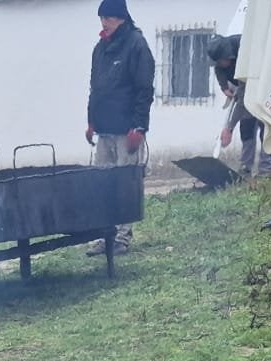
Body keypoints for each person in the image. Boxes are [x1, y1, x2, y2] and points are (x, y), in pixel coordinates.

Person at [85, 0, 153, 251]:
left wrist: (139, 126)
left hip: (127, 131)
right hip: (104, 129)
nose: (104, 22)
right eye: (102, 17)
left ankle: (123, 237)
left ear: (122, 18)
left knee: (125, 184)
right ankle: (105, 234)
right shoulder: (100, 49)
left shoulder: (136, 45)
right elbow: (95, 88)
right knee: (102, 183)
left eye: (109, 18)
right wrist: (91, 120)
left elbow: (144, 89)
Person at [207, 33, 264, 180]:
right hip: (244, 89)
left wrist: (229, 128)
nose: (219, 65)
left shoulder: (244, 51)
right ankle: (246, 168)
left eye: (220, 61)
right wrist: (224, 87)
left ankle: (266, 171)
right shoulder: (221, 59)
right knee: (246, 126)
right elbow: (218, 69)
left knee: (265, 128)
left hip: (262, 88)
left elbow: (243, 99)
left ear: (229, 57)